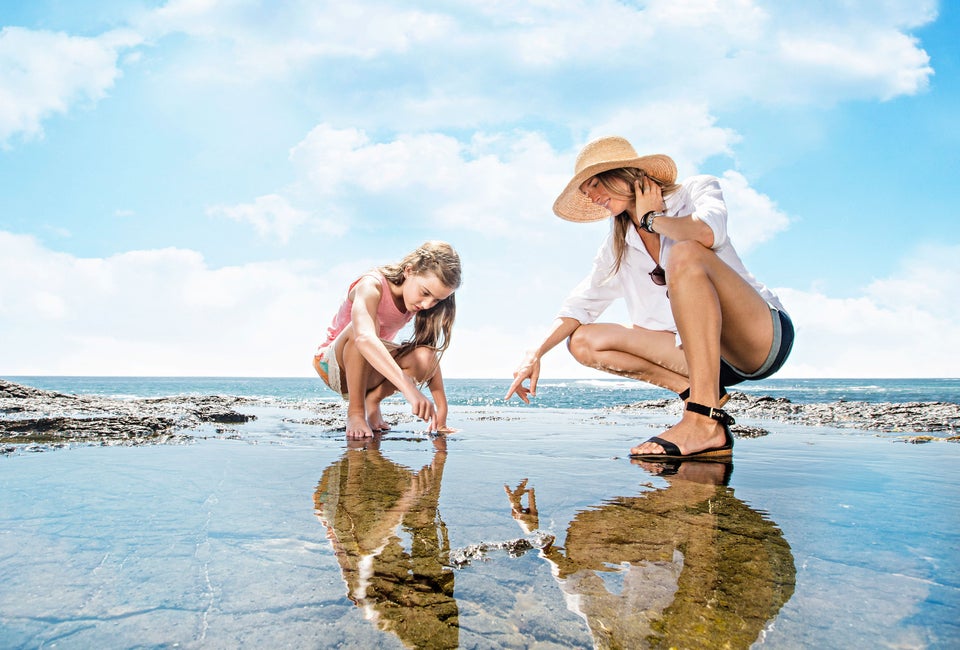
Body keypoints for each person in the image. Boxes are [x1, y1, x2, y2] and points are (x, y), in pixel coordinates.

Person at [505, 136, 793, 459]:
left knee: (685, 253)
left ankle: (701, 419)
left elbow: (709, 231)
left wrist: (651, 220)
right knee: (583, 341)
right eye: (587, 193)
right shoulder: (617, 245)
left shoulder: (695, 191)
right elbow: (581, 303)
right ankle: (696, 395)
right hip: (699, 361)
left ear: (624, 174)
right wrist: (536, 353)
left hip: (757, 340)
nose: (593, 197)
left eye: (596, 184)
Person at [314, 240, 461, 438]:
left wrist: (441, 414)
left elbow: (430, 362)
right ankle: (356, 412)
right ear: (409, 270)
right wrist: (409, 389)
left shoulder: (418, 303)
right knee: (367, 329)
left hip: (370, 371)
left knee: (425, 355)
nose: (427, 304)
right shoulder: (371, 285)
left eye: (436, 300)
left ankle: (372, 401)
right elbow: (364, 338)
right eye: (425, 293)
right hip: (333, 365)